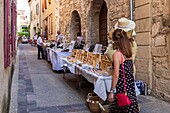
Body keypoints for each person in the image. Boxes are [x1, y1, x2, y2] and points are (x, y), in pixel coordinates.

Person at [108, 29, 139, 113]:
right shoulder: (129, 52)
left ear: (115, 41)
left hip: (122, 88)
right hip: (130, 87)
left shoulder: (117, 54)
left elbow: (116, 75)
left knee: (122, 107)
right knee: (130, 107)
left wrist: (111, 91)